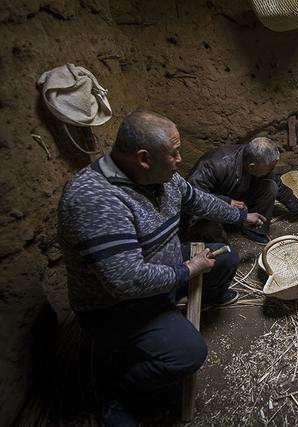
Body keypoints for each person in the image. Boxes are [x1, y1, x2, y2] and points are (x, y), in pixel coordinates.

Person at [58, 110, 265, 426]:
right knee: (188, 354)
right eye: (174, 153)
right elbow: (126, 281)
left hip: (164, 266)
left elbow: (198, 200)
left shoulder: (163, 177)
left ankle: (205, 297)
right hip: (118, 306)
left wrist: (238, 217)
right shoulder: (96, 200)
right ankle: (119, 396)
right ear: (143, 158)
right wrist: (188, 270)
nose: (181, 159)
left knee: (225, 257)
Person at [186, 137, 298, 245]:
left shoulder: (255, 160)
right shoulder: (215, 164)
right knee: (218, 242)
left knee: (271, 186)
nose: (271, 171)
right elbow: (194, 197)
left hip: (239, 199)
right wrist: (227, 201)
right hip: (212, 207)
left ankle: (254, 230)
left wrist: (297, 207)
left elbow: (278, 184)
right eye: (269, 168)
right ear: (252, 166)